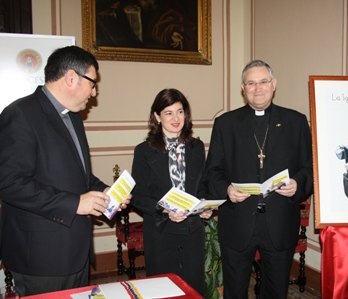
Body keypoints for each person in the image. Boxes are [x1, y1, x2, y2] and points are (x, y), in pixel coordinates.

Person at [0, 46, 130, 296]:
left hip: (76, 251)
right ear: (71, 78)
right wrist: (74, 204)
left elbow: (81, 175)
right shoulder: (21, 114)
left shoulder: (74, 118)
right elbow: (9, 183)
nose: (95, 92)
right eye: (93, 83)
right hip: (41, 257)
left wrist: (106, 191)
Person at [206, 59, 313, 299]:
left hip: (280, 221)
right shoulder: (225, 124)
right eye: (251, 83)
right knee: (235, 290)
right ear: (243, 88)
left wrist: (298, 184)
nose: (258, 88)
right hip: (237, 221)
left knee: (276, 291)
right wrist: (226, 190)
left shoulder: (295, 122)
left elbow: (309, 168)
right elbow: (212, 172)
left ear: (274, 84)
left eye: (263, 81)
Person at [131, 88, 212, 295]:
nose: (176, 118)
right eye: (168, 112)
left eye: (180, 111)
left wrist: (204, 205)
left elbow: (202, 185)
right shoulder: (144, 151)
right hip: (161, 230)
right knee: (162, 289)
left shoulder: (196, 147)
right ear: (157, 117)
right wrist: (165, 209)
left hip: (193, 230)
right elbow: (138, 195)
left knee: (192, 288)